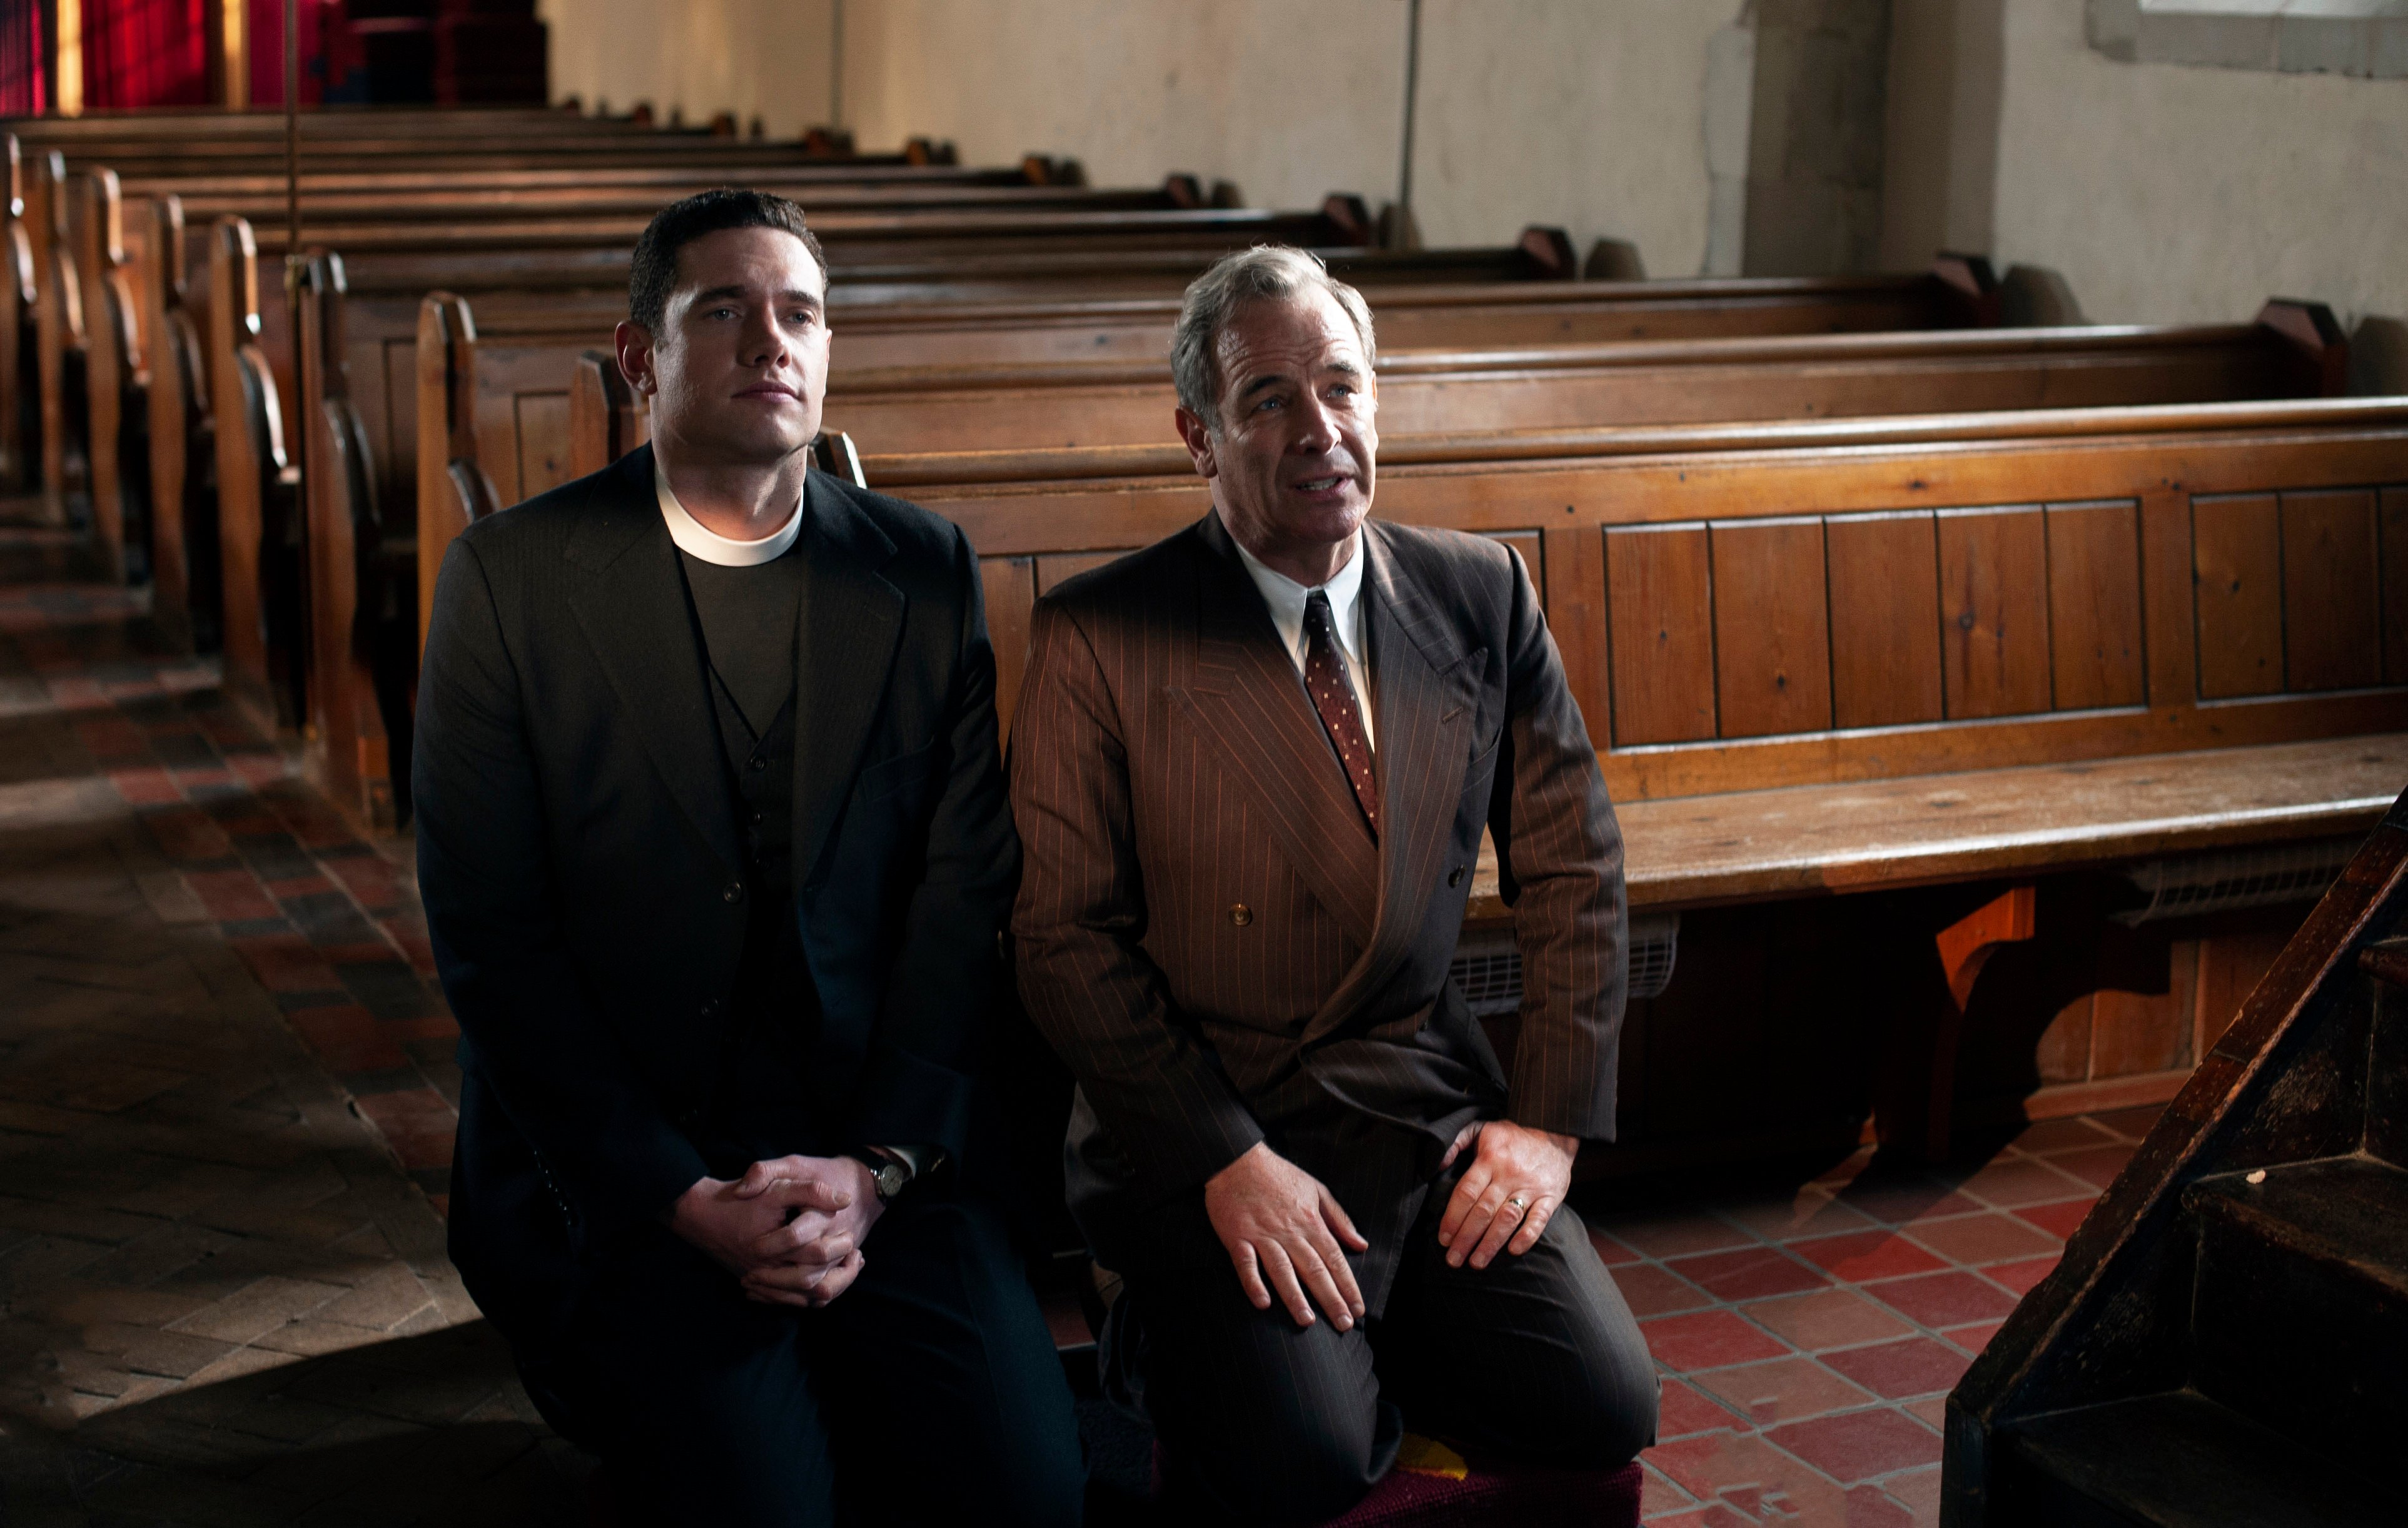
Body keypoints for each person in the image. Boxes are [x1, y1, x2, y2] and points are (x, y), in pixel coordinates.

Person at [414, 189, 1083, 1528]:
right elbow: (496, 941)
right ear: (639, 356)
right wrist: (677, 1194)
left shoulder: (920, 568)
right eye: (721, 310)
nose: (768, 340)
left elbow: (960, 902)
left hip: (869, 1149)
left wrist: (877, 1170)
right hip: (642, 1165)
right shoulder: (512, 579)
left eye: (797, 313)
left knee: (1028, 1496)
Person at [1009, 245, 1658, 1525]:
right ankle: (1150, 1321)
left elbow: (1573, 863)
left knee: (1602, 1403)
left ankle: (1361, 1321)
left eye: (1344, 389)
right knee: (1310, 1458)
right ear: (1197, 435)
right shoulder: (1106, 631)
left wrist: (1546, 1121)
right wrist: (1217, 1157)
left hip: (1422, 1107)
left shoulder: (1479, 591)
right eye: (1268, 402)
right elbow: (1061, 939)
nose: (1321, 431)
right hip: (1216, 1120)